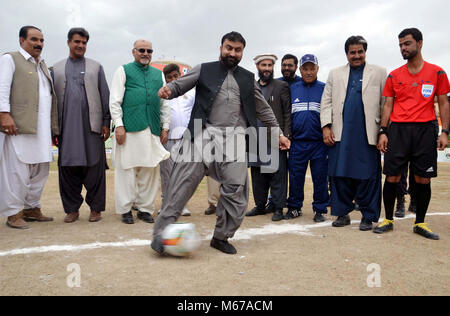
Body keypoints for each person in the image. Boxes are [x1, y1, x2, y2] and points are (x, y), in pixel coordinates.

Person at [152, 31, 291, 255]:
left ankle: (221, 236)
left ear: (242, 52)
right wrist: (170, 91)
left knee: (236, 190)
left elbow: (263, 109)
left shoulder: (247, 78)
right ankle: (160, 235)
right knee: (180, 186)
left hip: (235, 139)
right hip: (202, 134)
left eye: (237, 50)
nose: (232, 53)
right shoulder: (203, 69)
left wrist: (278, 134)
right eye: (229, 48)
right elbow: (180, 84)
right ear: (221, 48)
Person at [374, 28, 450, 240]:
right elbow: (388, 105)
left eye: (407, 44)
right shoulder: (394, 75)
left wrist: (445, 132)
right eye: (400, 45)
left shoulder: (438, 73)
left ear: (420, 43)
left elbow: (444, 102)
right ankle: (388, 219)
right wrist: (383, 131)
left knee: (423, 179)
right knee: (392, 176)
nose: (403, 48)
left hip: (425, 130)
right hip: (398, 130)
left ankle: (420, 223)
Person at [321, 35, 386, 231]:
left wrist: (384, 131)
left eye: (360, 51)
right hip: (341, 133)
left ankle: (368, 215)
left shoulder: (380, 72)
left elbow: (386, 104)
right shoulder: (334, 73)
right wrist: (326, 126)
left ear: (365, 52)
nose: (356, 56)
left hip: (368, 133)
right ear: (346, 54)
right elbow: (326, 102)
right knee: (339, 174)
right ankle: (342, 213)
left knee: (368, 176)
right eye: (352, 52)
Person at [0, 26, 58, 229]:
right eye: (34, 39)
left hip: (41, 130)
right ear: (21, 40)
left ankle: (32, 208)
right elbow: (3, 86)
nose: (39, 44)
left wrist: (53, 128)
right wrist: (4, 114)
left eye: (41, 40)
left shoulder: (42, 64)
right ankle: (13, 213)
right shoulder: (10, 59)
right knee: (17, 171)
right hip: (18, 127)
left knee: (40, 169)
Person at [52, 27, 111, 223]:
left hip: (92, 128)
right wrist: (54, 128)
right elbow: (52, 102)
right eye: (77, 41)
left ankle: (96, 209)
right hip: (67, 129)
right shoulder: (57, 68)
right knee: (68, 169)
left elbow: (105, 95)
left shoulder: (96, 67)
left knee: (95, 168)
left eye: (84, 42)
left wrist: (105, 122)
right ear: (69, 42)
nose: (80, 45)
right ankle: (72, 209)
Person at [109, 39, 170, 225]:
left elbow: (164, 103)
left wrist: (165, 126)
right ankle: (125, 209)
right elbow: (115, 101)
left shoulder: (158, 75)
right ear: (134, 52)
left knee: (150, 170)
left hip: (152, 129)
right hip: (129, 130)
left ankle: (145, 209)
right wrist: (118, 125)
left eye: (149, 51)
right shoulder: (123, 70)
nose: (146, 53)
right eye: (141, 50)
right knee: (126, 170)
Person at [246, 54, 291, 221]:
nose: (266, 68)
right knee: (257, 175)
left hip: (274, 138)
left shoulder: (281, 86)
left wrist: (285, 136)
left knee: (277, 174)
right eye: (263, 65)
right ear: (257, 67)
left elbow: (287, 113)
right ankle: (260, 206)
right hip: (255, 138)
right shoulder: (250, 87)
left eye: (269, 65)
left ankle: (278, 207)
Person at [286, 54, 329, 223]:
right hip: (298, 142)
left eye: (312, 68)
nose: (309, 72)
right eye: (305, 68)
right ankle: (295, 207)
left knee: (320, 177)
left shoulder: (325, 88)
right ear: (300, 70)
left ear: (317, 69)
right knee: (296, 176)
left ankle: (319, 209)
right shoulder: (292, 88)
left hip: (319, 143)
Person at [159, 63, 195, 216]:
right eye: (169, 78)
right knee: (167, 174)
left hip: (186, 139)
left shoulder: (191, 92)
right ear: (165, 79)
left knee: (184, 174)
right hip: (168, 138)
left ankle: (181, 205)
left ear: (180, 75)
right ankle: (166, 204)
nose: (173, 79)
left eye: (175, 76)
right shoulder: (162, 93)